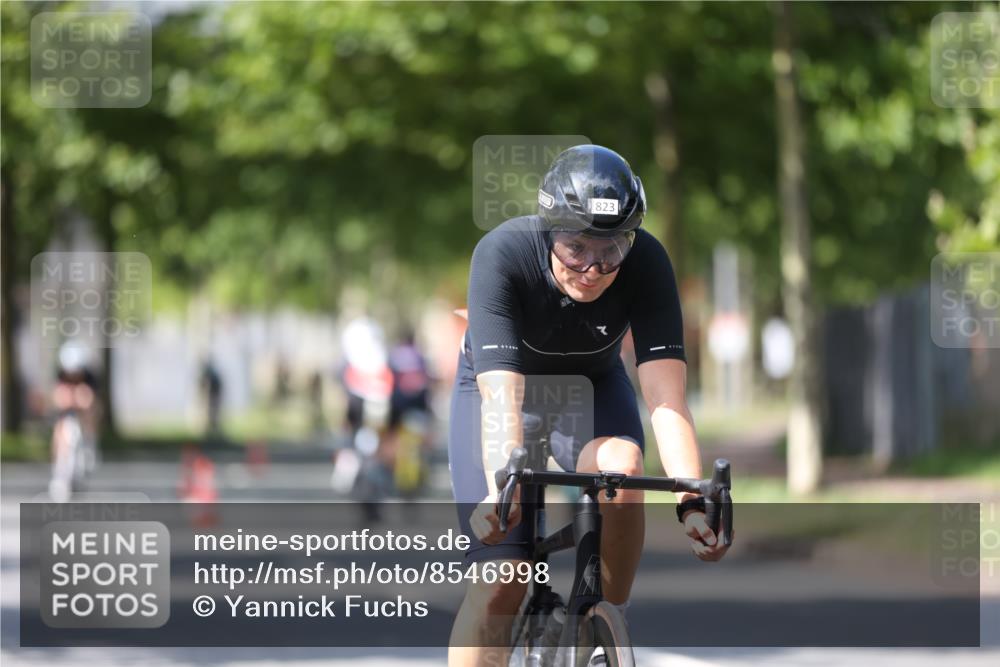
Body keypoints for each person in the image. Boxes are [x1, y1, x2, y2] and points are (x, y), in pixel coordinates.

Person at [447, 145, 731, 666]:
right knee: (501, 581)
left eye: (611, 249)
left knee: (623, 469)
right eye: (576, 247)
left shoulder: (647, 263)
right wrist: (497, 490)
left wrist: (690, 499)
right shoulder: (502, 253)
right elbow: (501, 398)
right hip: (503, 397)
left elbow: (667, 399)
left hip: (593, 386)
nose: (594, 268)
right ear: (547, 228)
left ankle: (603, 625)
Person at [49, 340, 101, 501]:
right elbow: (57, 397)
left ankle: (90, 445)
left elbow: (91, 401)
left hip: (85, 413)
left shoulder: (90, 377)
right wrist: (67, 398)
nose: (73, 375)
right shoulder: (60, 374)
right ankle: (59, 470)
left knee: (88, 407)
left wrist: (82, 399)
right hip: (66, 413)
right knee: (61, 428)